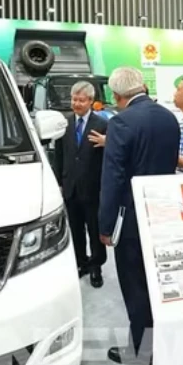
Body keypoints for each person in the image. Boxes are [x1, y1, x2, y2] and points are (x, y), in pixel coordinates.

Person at [98, 67, 180, 365]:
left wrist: (105, 224)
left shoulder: (120, 122)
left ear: (116, 95)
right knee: (159, 281)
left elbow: (113, 178)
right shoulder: (169, 117)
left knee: (135, 285)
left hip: (131, 217)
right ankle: (163, 340)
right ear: (142, 86)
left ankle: (142, 350)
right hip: (164, 211)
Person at [54, 81, 108, 289]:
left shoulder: (102, 124)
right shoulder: (64, 123)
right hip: (70, 187)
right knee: (75, 230)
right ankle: (81, 262)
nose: (76, 103)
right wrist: (59, 181)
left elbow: (107, 158)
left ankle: (96, 266)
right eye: (74, 99)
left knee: (95, 230)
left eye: (81, 100)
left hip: (93, 188)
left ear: (91, 101)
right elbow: (59, 155)